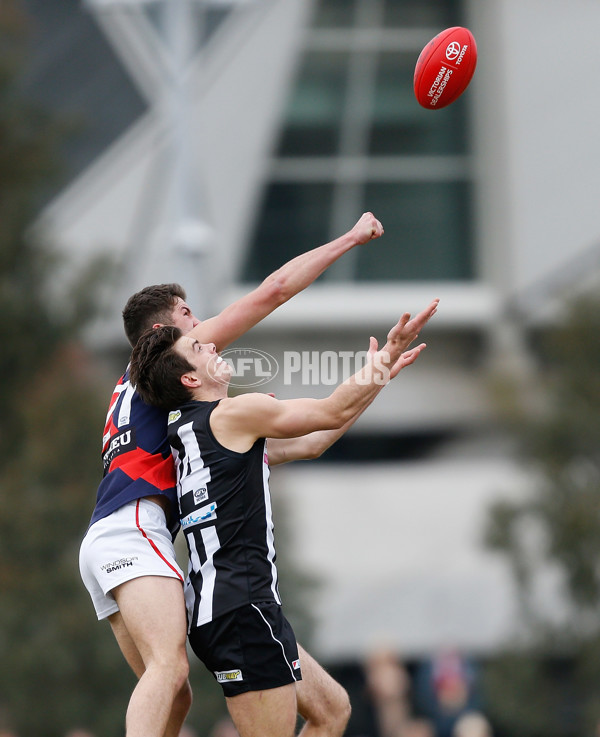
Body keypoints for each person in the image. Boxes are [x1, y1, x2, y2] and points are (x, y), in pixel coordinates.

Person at [79, 214, 389, 737]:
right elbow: (272, 291)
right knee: (168, 670)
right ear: (163, 334)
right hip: (133, 530)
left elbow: (298, 442)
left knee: (175, 695)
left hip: (108, 538)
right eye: (188, 316)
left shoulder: (157, 403)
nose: (202, 326)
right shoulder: (174, 367)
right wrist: (350, 239)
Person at [128, 299, 439, 737]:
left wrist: (378, 377)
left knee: (331, 710)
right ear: (190, 378)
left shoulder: (191, 430)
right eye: (199, 348)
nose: (213, 345)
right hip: (243, 609)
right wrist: (384, 358)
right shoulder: (232, 414)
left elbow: (315, 441)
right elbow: (330, 410)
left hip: (225, 610)